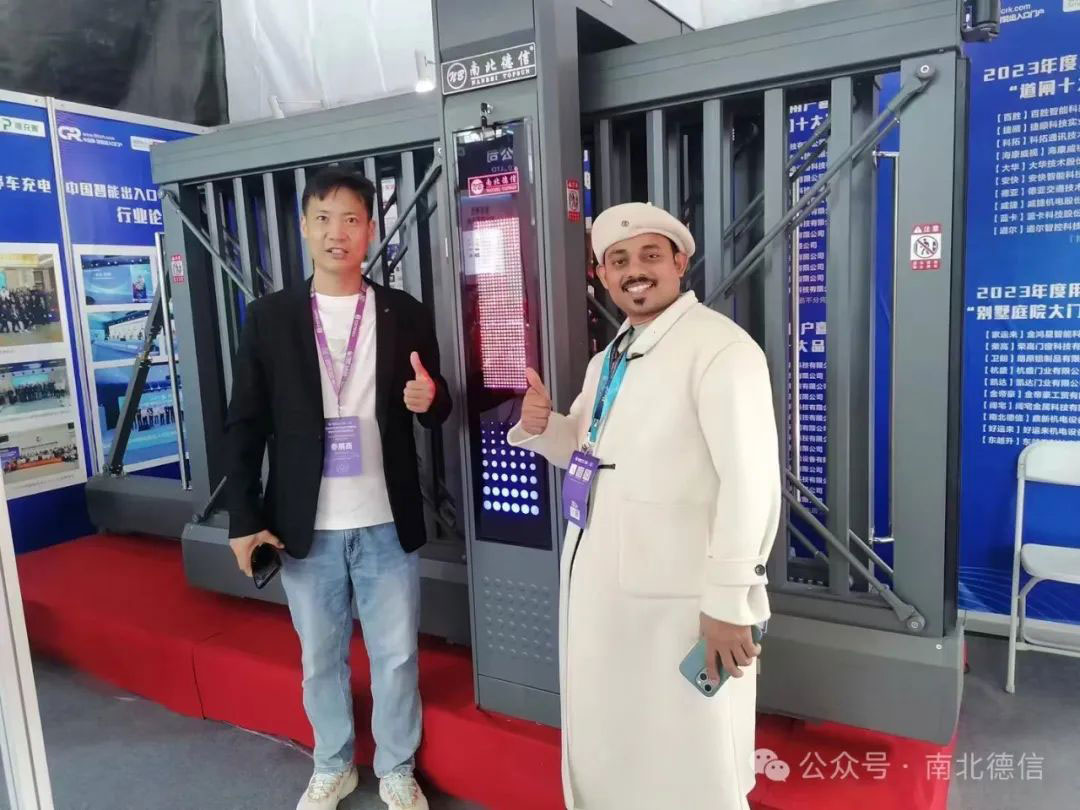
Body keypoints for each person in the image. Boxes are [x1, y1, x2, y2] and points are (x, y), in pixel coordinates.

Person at [508, 202, 780, 809]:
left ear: (679, 263)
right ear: (603, 276)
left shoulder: (720, 349)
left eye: (650, 256)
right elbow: (588, 449)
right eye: (619, 260)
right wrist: (544, 427)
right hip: (604, 591)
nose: (635, 271)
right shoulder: (608, 358)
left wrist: (729, 601)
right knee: (618, 743)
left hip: (680, 602)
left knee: (687, 757)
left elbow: (752, 481)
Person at [225, 166, 451, 810]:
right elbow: (245, 423)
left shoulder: (405, 313)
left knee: (396, 656)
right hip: (304, 524)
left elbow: (437, 404)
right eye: (323, 218)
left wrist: (430, 398)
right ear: (303, 227)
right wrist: (243, 519)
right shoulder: (269, 318)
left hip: (386, 519)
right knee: (320, 658)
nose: (337, 232)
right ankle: (333, 764)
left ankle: (396, 767)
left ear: (370, 230)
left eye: (351, 219)